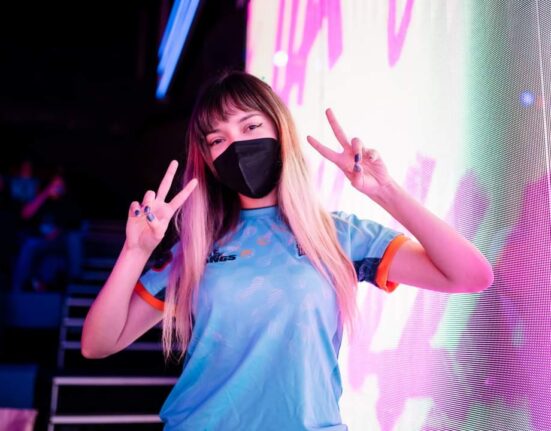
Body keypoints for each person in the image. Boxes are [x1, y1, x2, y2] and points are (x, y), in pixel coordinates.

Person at [81, 71, 493, 430]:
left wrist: (384, 190)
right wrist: (135, 251)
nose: (237, 144)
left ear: (280, 130)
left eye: (250, 126)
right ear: (208, 159)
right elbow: (98, 343)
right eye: (218, 139)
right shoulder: (197, 248)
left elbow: (471, 275)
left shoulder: (338, 235)